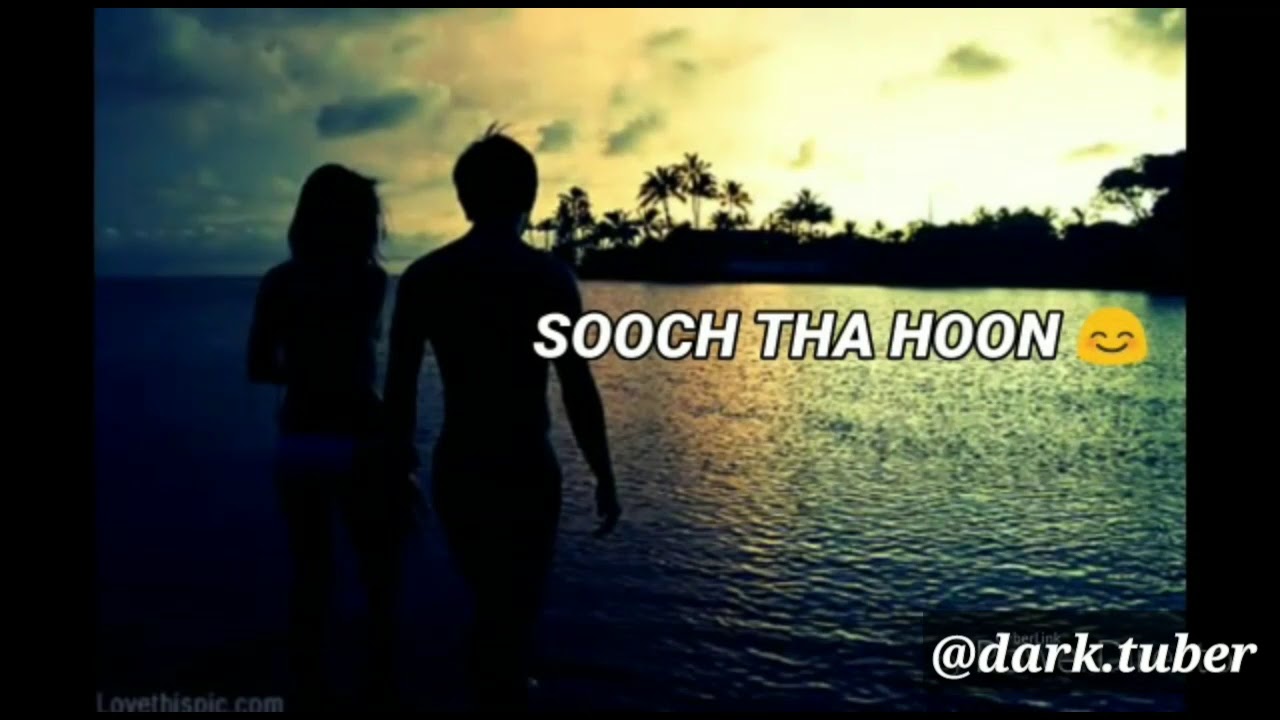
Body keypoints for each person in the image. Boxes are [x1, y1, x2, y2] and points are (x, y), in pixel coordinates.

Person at [384, 126, 622, 707]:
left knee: (488, 599)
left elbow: (400, 388)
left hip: (460, 465)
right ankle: (505, 690)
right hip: (525, 465)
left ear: (464, 199)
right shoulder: (549, 279)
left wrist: (396, 469)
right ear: (529, 200)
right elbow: (576, 384)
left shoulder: (425, 278)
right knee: (515, 606)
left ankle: (490, 687)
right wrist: (603, 471)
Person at [247, 164, 414, 710]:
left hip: (300, 437)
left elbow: (258, 366)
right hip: (360, 435)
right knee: (378, 573)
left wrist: (302, 372)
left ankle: (309, 685)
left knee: (310, 572)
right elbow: (360, 364)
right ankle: (380, 686)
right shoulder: (370, 281)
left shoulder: (279, 281)